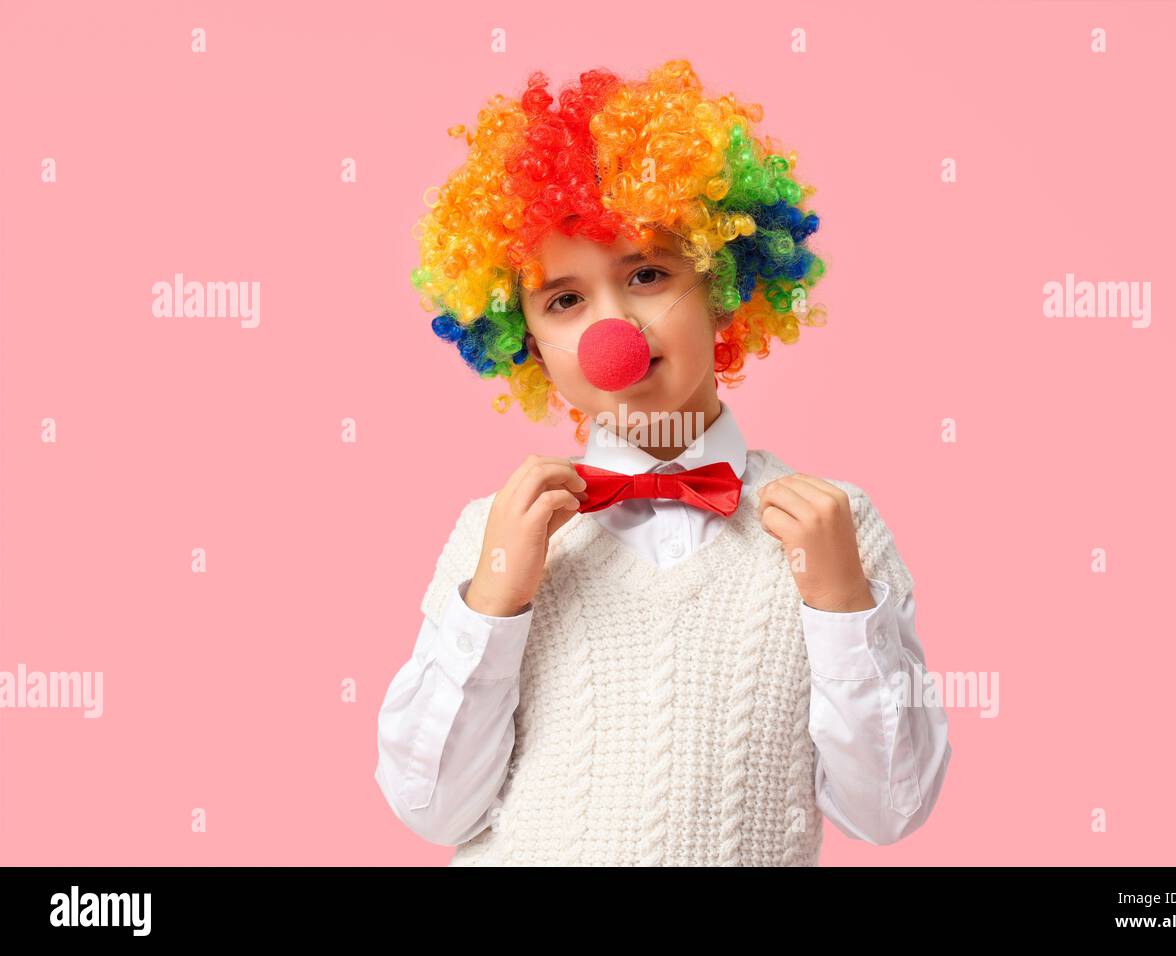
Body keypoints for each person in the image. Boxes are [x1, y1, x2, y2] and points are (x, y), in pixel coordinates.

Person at [374, 59, 952, 866]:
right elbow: (432, 810)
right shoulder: (492, 533)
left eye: (647, 275)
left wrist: (842, 607)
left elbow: (888, 811)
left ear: (721, 286)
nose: (614, 332)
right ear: (526, 338)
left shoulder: (833, 525)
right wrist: (494, 602)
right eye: (564, 300)